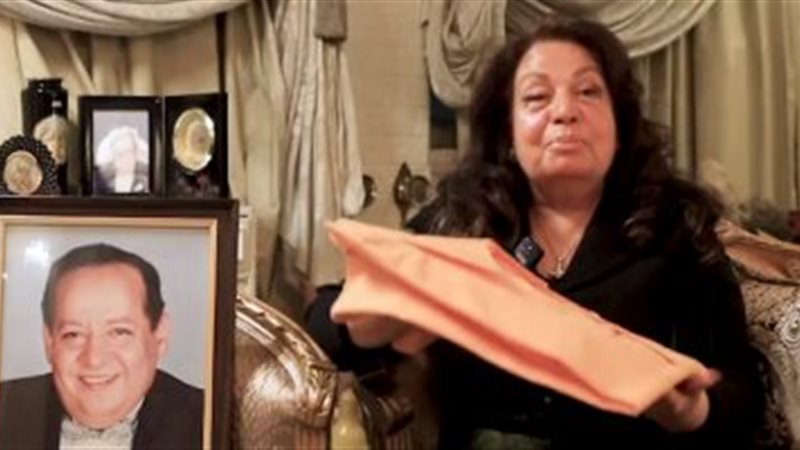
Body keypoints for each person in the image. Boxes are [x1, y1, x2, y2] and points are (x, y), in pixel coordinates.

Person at [306, 15, 764, 449]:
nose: (564, 111)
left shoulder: (677, 227)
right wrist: (368, 327)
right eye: (537, 97)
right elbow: (321, 326)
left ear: (620, 124)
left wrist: (692, 412)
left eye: (588, 91)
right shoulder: (462, 220)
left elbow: (743, 397)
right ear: (508, 130)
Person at [0, 243, 203, 449]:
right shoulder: (6, 408)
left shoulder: (207, 419)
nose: (94, 359)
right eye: (73, 334)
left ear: (159, 336)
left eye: (119, 332)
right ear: (49, 341)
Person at [94, 126, 150, 194]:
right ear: (113, 157)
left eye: (129, 152)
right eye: (120, 154)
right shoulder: (103, 184)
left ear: (135, 155)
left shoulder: (146, 184)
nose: (125, 159)